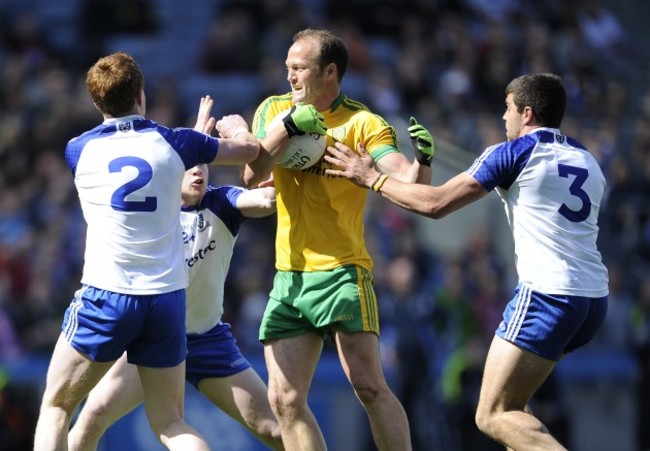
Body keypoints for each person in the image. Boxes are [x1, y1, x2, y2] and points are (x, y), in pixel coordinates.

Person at [33, 51, 322, 451]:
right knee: (167, 421)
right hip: (164, 304)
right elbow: (247, 153)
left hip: (114, 297)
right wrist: (235, 131)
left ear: (97, 103)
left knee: (56, 406)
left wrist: (194, 146)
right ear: (141, 92)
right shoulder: (175, 143)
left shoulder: (77, 150)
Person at [325, 73, 609, 450]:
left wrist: (372, 178)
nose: (502, 117)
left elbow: (434, 204)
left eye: (507, 109)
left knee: (490, 414)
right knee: (514, 411)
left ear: (526, 113)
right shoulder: (587, 159)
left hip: (548, 296)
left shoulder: (514, 152)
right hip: (592, 302)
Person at [235, 28, 434, 451]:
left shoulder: (363, 123)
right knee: (284, 398)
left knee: (369, 387)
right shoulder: (274, 109)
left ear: (329, 72)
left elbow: (401, 176)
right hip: (290, 275)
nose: (289, 76)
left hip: (344, 272)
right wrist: (286, 127)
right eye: (287, 67)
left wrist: (423, 163)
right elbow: (251, 175)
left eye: (299, 68)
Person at [67, 163, 283, 450]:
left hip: (206, 340)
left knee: (275, 431)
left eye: (204, 165)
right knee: (92, 416)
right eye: (189, 166)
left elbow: (264, 201)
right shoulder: (150, 211)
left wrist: (282, 176)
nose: (199, 172)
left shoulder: (222, 201)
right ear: (168, 172)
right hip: (153, 338)